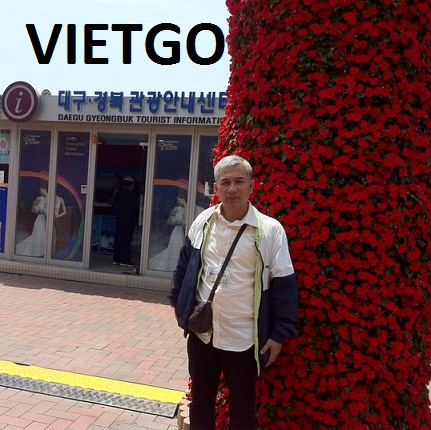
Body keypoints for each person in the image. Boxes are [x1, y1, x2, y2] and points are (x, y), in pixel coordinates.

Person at [169, 155, 299, 429]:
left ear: (251, 186)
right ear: (216, 187)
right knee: (201, 403)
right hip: (203, 334)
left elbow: (284, 284)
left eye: (239, 181)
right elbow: (183, 269)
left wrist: (279, 333)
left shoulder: (270, 230)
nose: (232, 189)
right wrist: (181, 310)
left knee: (243, 409)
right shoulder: (203, 221)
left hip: (244, 339)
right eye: (225, 182)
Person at [16, 182, 48, 257]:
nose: (40, 192)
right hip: (40, 219)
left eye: (40, 190)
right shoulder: (39, 199)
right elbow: (33, 210)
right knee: (39, 236)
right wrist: (40, 210)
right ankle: (38, 253)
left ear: (45, 189)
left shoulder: (50, 199)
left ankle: (43, 253)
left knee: (44, 237)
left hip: (47, 220)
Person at [112, 176, 139, 266]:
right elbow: (136, 208)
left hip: (119, 219)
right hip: (129, 220)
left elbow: (114, 207)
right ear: (131, 185)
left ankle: (116, 258)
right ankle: (124, 260)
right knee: (126, 239)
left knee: (118, 238)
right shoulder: (132, 196)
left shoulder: (118, 194)